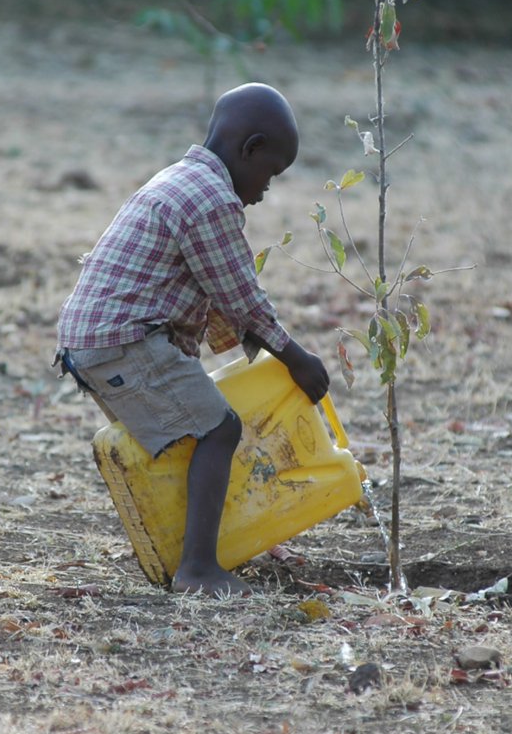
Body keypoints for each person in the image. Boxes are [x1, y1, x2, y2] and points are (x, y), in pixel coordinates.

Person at [55, 83, 329, 598]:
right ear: (249, 149)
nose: (267, 189)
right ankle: (197, 569)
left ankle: (180, 553)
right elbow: (240, 296)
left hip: (94, 339)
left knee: (185, 443)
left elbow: (209, 296)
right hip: (122, 341)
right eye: (270, 173)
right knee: (218, 430)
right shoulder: (211, 201)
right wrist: (296, 358)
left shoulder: (179, 179)